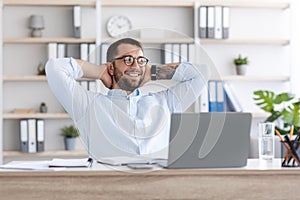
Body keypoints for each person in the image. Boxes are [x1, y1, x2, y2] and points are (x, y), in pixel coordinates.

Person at [46, 38, 209, 159]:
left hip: (159, 188)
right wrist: (99, 71)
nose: (136, 66)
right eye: (128, 60)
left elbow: (200, 74)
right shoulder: (88, 105)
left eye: (140, 61)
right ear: (111, 66)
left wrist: (153, 72)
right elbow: (55, 68)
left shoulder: (166, 102)